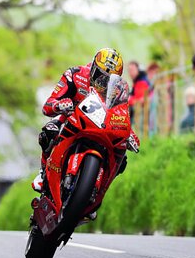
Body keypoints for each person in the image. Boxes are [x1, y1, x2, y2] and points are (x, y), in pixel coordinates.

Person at [33, 48, 140, 220]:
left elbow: (121, 113)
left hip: (100, 127)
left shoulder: (118, 91)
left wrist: (129, 133)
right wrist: (59, 105)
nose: (102, 82)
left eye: (108, 79)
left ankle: (93, 195)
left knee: (122, 161)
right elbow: (48, 104)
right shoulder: (75, 74)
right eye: (100, 75)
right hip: (70, 119)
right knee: (49, 131)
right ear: (93, 68)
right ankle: (42, 173)